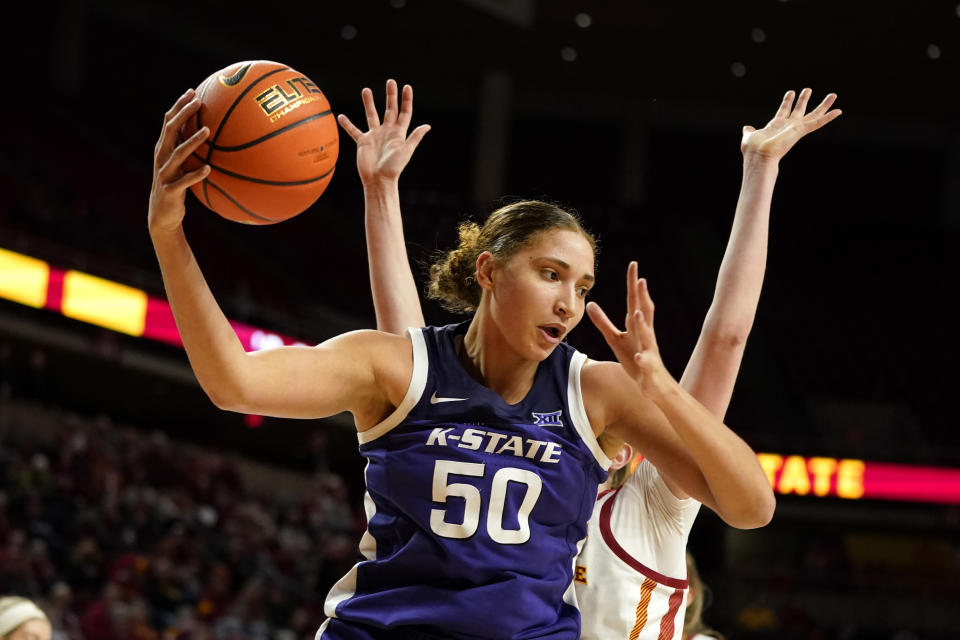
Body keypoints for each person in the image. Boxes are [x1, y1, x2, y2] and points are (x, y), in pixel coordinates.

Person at [148, 83, 774, 639]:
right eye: (551, 275)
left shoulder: (595, 391)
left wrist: (662, 388)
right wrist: (169, 234)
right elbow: (233, 383)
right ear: (490, 271)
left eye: (582, 289)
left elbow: (750, 507)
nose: (568, 303)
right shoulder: (396, 366)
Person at [346, 80, 840, 638]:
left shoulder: (661, 496)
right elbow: (411, 358)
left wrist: (760, 171)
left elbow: (726, 337)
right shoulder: (526, 470)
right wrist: (381, 189)